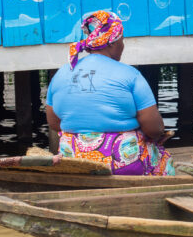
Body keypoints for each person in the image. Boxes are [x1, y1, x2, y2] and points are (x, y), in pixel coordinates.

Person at [45, 11, 175, 176]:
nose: (123, 45)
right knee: (164, 161)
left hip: (73, 161)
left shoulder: (61, 74)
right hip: (123, 162)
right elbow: (153, 128)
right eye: (122, 40)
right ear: (112, 42)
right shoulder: (130, 75)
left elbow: (54, 123)